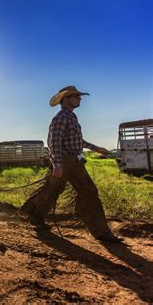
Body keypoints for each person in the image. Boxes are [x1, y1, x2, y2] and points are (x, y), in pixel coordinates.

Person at [20, 86, 123, 243]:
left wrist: (96, 148)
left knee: (88, 191)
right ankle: (35, 214)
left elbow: (77, 141)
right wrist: (58, 165)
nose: (80, 99)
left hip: (75, 162)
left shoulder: (71, 117)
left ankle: (101, 232)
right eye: (76, 96)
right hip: (65, 161)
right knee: (53, 190)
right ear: (66, 99)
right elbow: (54, 142)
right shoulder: (61, 118)